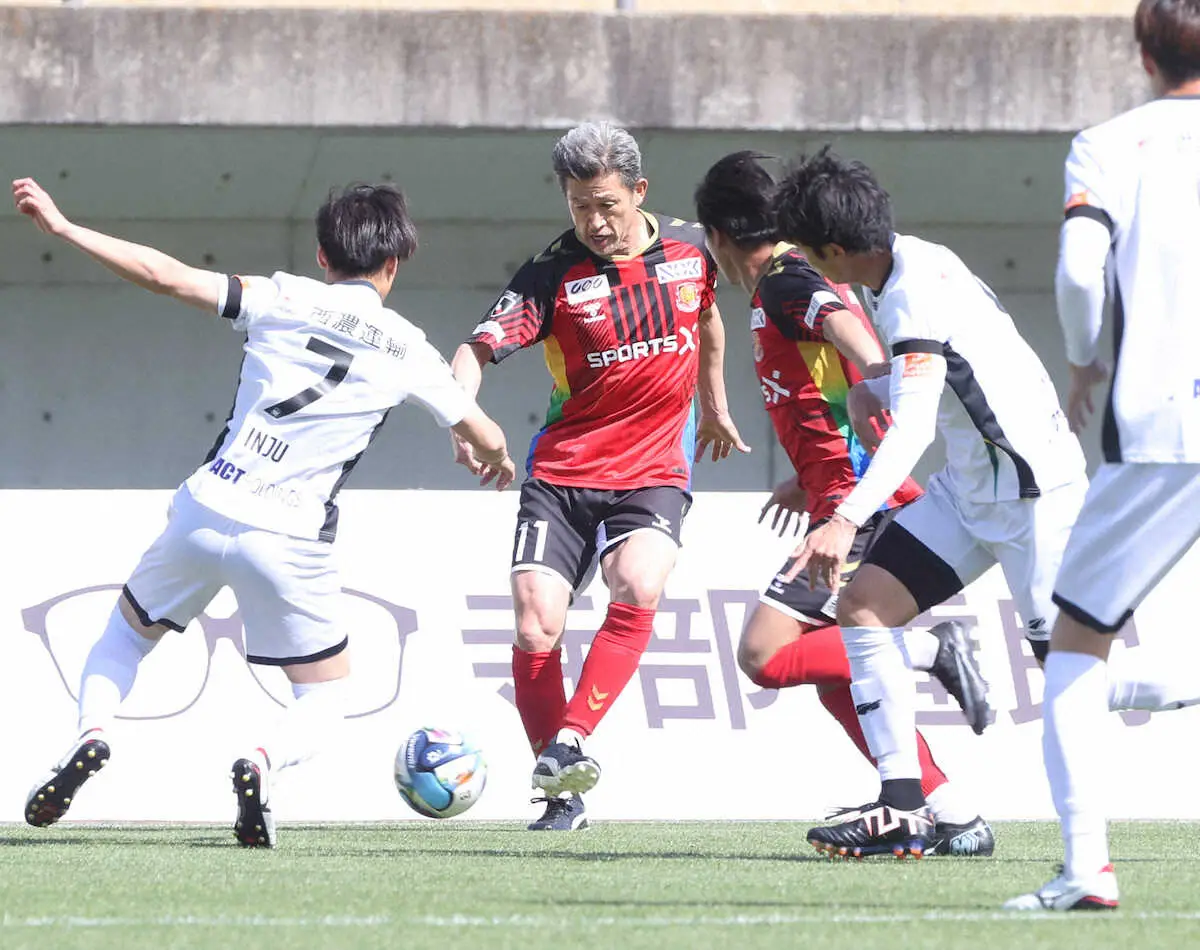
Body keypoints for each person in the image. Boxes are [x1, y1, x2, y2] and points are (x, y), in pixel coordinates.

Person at [13, 177, 516, 848]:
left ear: (322, 255)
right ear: (393, 264)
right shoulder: (408, 349)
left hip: (208, 504)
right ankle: (261, 761)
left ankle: (92, 733)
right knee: (325, 695)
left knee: (126, 637)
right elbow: (484, 431)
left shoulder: (282, 296)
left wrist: (66, 228)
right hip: (290, 535)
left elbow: (166, 276)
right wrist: (491, 452)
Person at [775, 148, 1200, 862]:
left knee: (1076, 680)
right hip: (971, 490)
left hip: (1032, 502)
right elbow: (949, 374)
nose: (810, 266)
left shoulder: (910, 293)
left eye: (810, 254)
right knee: (864, 607)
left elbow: (914, 426)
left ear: (837, 252)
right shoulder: (909, 261)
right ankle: (904, 805)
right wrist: (871, 389)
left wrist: (845, 518)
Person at [694, 151, 994, 856]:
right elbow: (824, 383)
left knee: (765, 654)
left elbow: (850, 337)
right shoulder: (791, 278)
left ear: (718, 237)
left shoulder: (785, 280)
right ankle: (948, 812)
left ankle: (932, 649)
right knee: (838, 675)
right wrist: (808, 472)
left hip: (859, 507)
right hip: (840, 493)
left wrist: (879, 386)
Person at [451, 123, 749, 831]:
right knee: (535, 624)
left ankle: (570, 739)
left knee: (639, 582)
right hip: (563, 472)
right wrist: (463, 420)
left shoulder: (692, 250)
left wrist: (713, 406)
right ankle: (562, 796)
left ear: (639, 192)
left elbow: (708, 321)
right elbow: (473, 350)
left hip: (652, 468)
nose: (595, 221)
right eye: (580, 205)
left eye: (608, 204)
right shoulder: (551, 273)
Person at [1006, 0, 1200, 911]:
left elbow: (1081, 270)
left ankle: (1086, 870)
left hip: (1165, 426)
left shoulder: (1109, 144)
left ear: (1143, 54)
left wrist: (1085, 359)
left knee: (1077, 641)